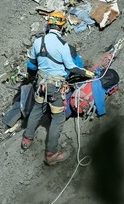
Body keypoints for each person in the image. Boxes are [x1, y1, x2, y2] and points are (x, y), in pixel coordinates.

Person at [20, 10, 95, 166]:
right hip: (54, 87)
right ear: (62, 26)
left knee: (37, 110)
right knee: (58, 119)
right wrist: (88, 73)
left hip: (40, 84)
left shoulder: (37, 42)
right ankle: (51, 153)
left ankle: (27, 139)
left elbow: (32, 65)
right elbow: (72, 68)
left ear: (48, 24)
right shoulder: (63, 45)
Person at [1, 43, 84, 131]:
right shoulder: (70, 50)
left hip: (46, 83)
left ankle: (10, 121)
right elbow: (79, 67)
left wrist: (34, 74)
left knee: (27, 96)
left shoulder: (44, 50)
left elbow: (31, 66)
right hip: (59, 85)